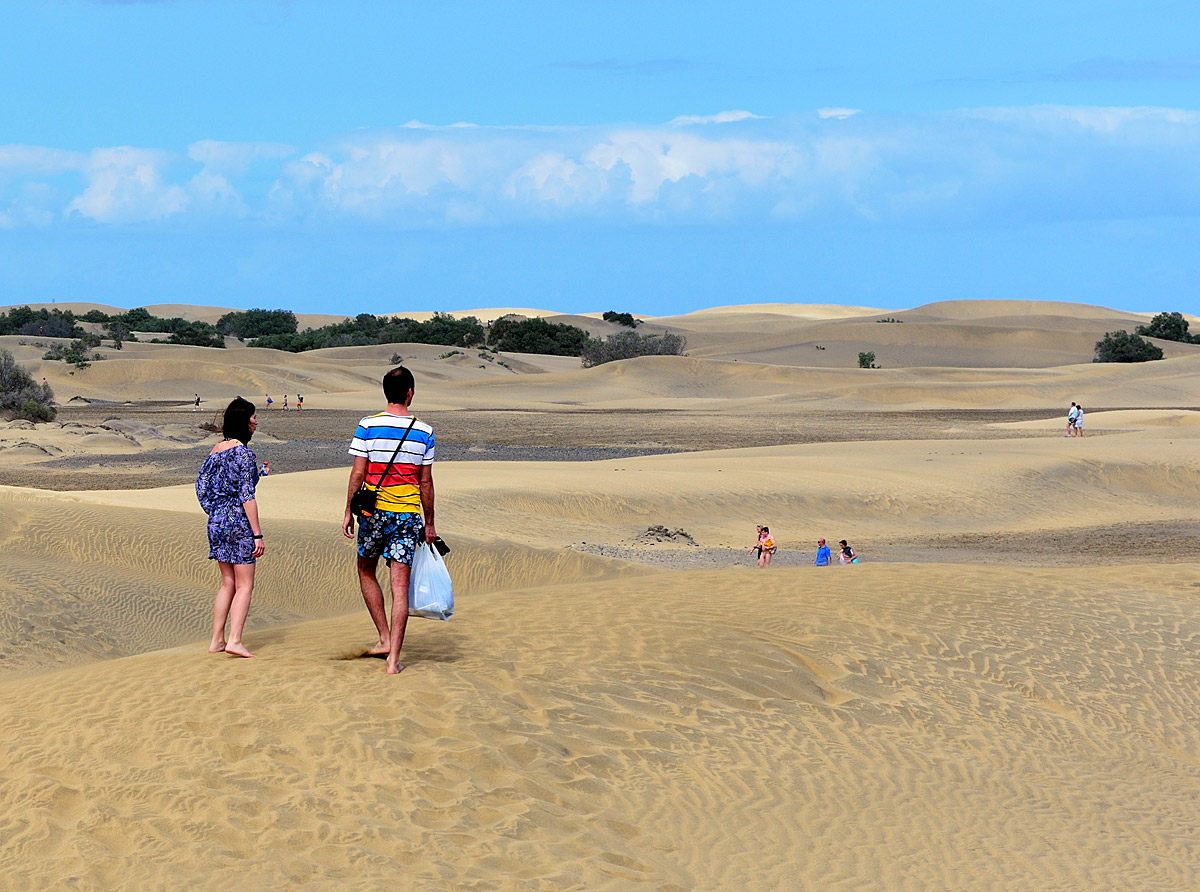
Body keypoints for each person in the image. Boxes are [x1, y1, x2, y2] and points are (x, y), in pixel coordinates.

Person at [343, 366, 437, 675]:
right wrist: (430, 523)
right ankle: (393, 660)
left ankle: (383, 636)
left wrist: (347, 511)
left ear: (386, 392)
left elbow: (358, 472)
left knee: (365, 569)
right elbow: (426, 483)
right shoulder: (424, 431)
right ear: (410, 392)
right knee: (400, 586)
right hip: (407, 515)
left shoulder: (367, 425)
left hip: (373, 514)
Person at [195, 397, 264, 658]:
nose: (256, 422)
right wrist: (257, 533)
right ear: (243, 421)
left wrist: (216, 512)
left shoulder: (215, 451)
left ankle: (216, 640)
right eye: (253, 417)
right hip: (238, 522)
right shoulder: (243, 454)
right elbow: (247, 496)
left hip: (216, 521)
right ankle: (234, 640)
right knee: (244, 585)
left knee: (227, 583)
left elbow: (201, 488)